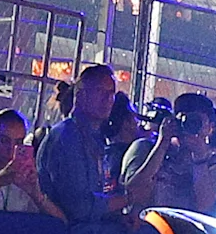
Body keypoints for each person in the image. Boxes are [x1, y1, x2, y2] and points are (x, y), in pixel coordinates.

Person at [38, 63, 163, 225]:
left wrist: (117, 219)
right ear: (81, 96)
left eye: (111, 93)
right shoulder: (67, 137)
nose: (107, 100)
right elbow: (79, 207)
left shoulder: (94, 138)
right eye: (100, 91)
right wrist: (129, 198)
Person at [0, 108, 57, 214]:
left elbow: (61, 224)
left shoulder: (26, 181)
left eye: (18, 142)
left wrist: (36, 195)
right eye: (4, 141)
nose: (12, 149)